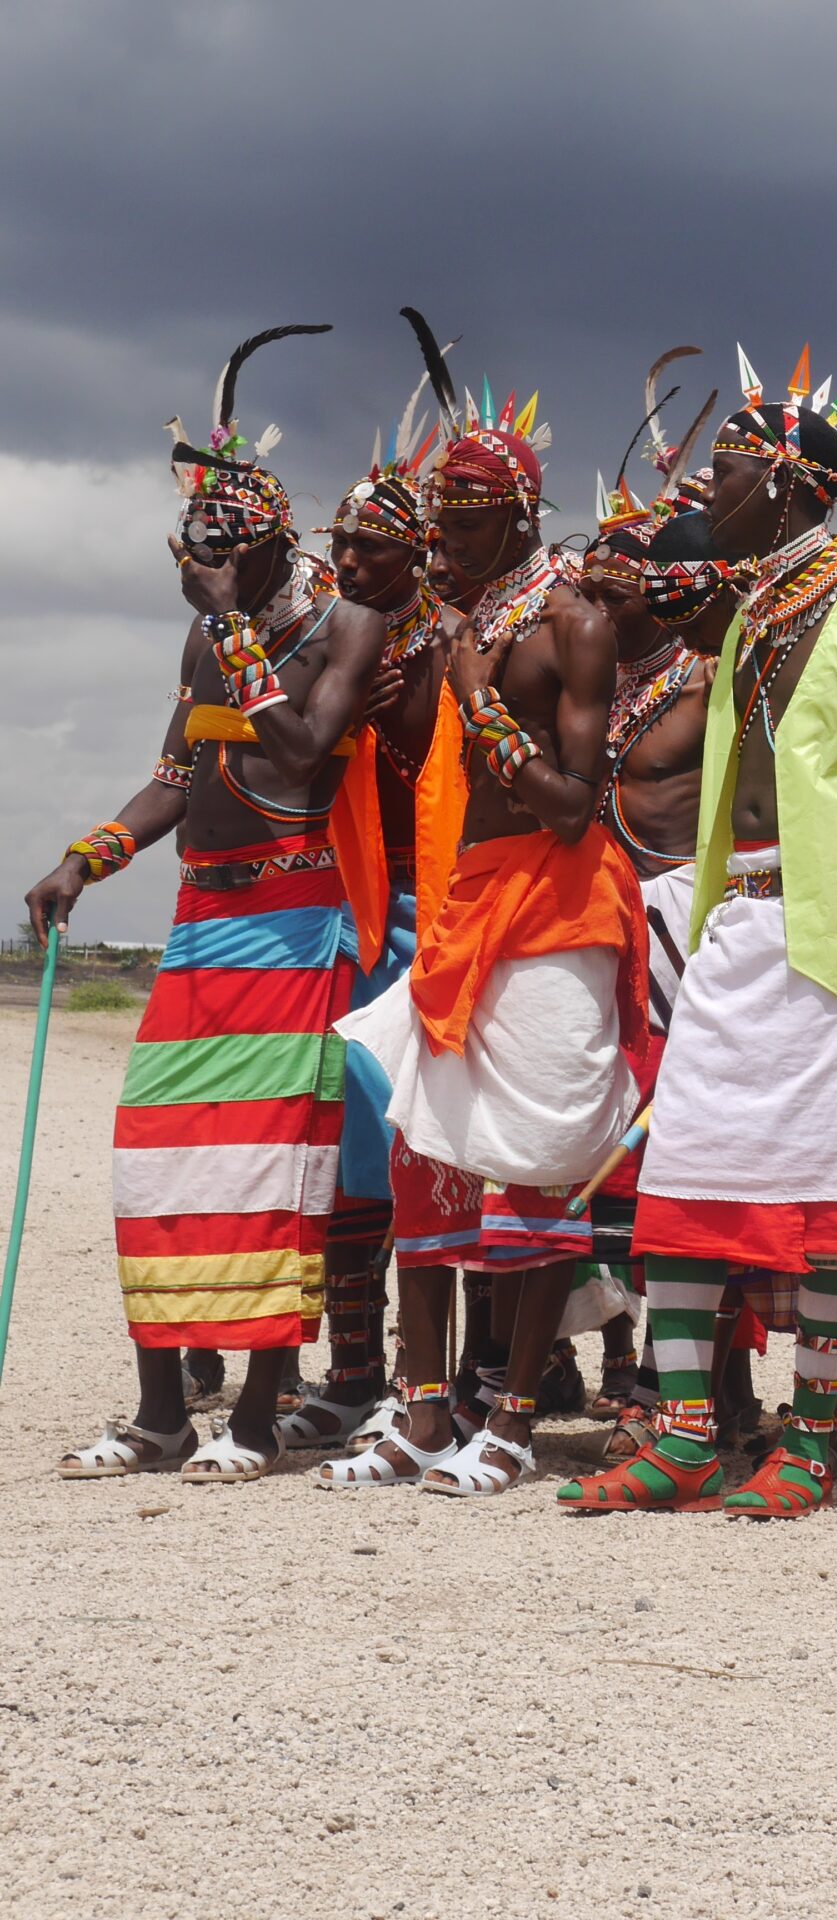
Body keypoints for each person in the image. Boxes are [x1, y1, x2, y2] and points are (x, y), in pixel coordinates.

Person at [555, 348, 837, 1519]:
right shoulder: (753, 613)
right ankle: (686, 1439)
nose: (707, 490)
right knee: (686, 1182)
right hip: (740, 929)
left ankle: (808, 1442)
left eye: (726, 472)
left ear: (791, 484)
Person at [42, 323, 381, 1483]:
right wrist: (88, 857)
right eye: (200, 554)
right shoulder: (205, 636)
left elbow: (304, 750)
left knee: (272, 1170)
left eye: (230, 553)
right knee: (157, 1159)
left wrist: (234, 625)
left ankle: (256, 1419)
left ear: (276, 544)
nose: (211, 570)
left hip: (297, 926)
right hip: (202, 927)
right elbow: (177, 776)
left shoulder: (346, 626)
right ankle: (160, 1418)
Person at [327, 374, 645, 1497]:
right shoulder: (471, 624)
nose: (444, 544)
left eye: (462, 524)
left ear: (515, 516)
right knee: (427, 1154)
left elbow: (573, 804)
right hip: (468, 903)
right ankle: (422, 1411)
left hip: (558, 909)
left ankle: (510, 1419)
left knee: (541, 1165)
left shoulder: (574, 622)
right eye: (441, 523)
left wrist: (478, 698)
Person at [278, 363, 472, 1451]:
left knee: (430, 1147)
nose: (350, 562)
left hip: (438, 910)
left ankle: (441, 1380)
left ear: (419, 552)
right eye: (343, 545)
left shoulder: (457, 639)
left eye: (373, 548)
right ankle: (355, 1371)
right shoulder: (331, 635)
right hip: (348, 909)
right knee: (351, 1151)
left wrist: (405, 719)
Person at [580, 488, 721, 1438]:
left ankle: (667, 1387)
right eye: (589, 593)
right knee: (591, 1147)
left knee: (658, 1155)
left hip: (679, 934)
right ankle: (606, 1358)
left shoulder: (710, 681)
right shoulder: (583, 674)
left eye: (616, 595)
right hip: (592, 923)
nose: (598, 610)